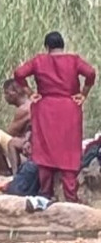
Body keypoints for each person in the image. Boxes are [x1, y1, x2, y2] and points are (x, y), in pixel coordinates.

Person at [13, 31, 96, 203]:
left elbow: (19, 73)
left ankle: (45, 192)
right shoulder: (73, 60)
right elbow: (91, 73)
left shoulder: (38, 61)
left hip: (46, 108)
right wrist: (83, 93)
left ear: (47, 47)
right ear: (62, 45)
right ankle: (70, 196)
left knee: (45, 150)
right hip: (69, 108)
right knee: (69, 150)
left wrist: (30, 92)